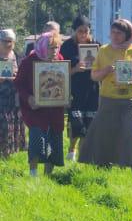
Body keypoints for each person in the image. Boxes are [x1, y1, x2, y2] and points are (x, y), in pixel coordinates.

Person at [78, 19, 132, 173]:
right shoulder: (103, 50)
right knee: (106, 131)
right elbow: (94, 76)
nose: (115, 36)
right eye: (113, 32)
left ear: (127, 34)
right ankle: (103, 163)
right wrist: (105, 71)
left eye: (119, 33)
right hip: (109, 98)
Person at [13, 30, 66, 176]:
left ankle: (48, 176)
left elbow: (64, 82)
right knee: (37, 139)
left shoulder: (60, 59)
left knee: (55, 140)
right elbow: (19, 84)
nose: (54, 51)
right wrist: (29, 98)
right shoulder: (29, 61)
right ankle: (33, 174)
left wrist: (66, 96)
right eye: (51, 47)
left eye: (56, 47)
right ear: (42, 46)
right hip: (35, 109)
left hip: (55, 109)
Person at [59, 15, 100, 161]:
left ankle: (84, 155)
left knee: (89, 122)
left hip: (92, 89)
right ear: (74, 31)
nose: (83, 34)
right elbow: (60, 72)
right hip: (75, 90)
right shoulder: (67, 46)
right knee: (77, 122)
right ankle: (72, 150)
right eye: (80, 31)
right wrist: (75, 69)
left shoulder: (96, 45)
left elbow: (101, 65)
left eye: (86, 31)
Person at [0, 28, 26, 158]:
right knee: (3, 124)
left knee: (14, 124)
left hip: (13, 97)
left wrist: (17, 76)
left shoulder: (16, 55)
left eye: (11, 41)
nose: (8, 44)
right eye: (5, 41)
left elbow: (22, 73)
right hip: (1, 98)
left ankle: (10, 154)